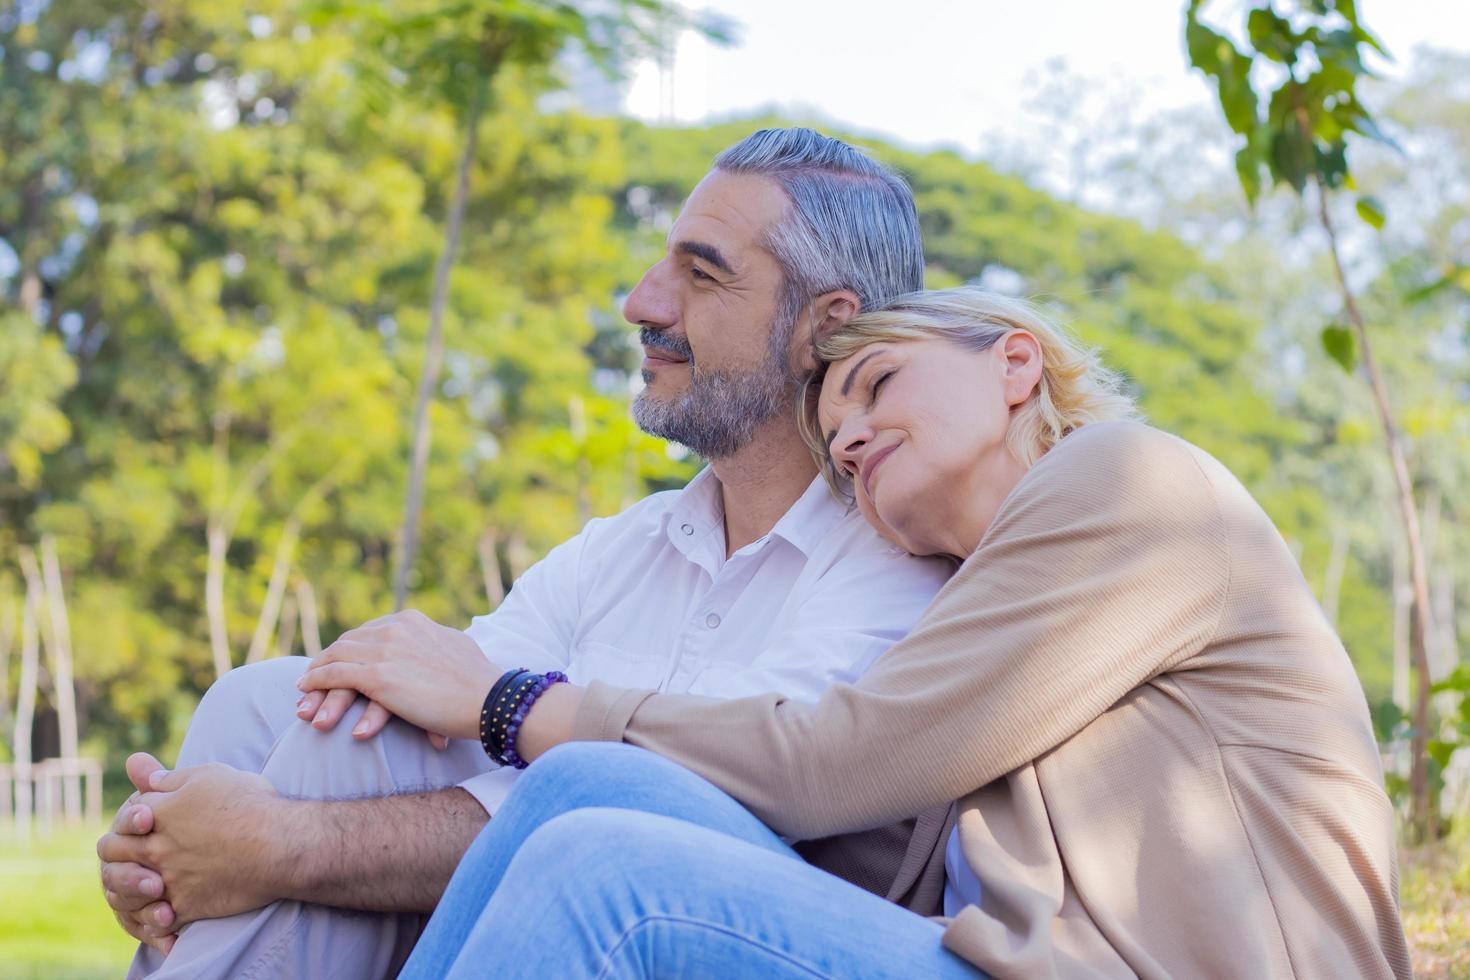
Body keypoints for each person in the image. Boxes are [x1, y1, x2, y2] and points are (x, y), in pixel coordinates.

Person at [299, 287, 1412, 978]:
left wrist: (511, 702)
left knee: (607, 868)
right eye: (837, 449)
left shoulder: (1127, 481)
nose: (855, 439)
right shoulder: (973, 596)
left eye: (879, 384)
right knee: (577, 793)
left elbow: (840, 756)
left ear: (1015, 362)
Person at [96, 128, 954, 979]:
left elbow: (698, 800)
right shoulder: (625, 549)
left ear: (823, 326)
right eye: (663, 266)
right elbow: (429, 713)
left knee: (346, 765)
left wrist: (281, 844)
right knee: (276, 705)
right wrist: (174, 855)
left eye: (702, 274)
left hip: (713, 929)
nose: (642, 304)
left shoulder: (893, 561)